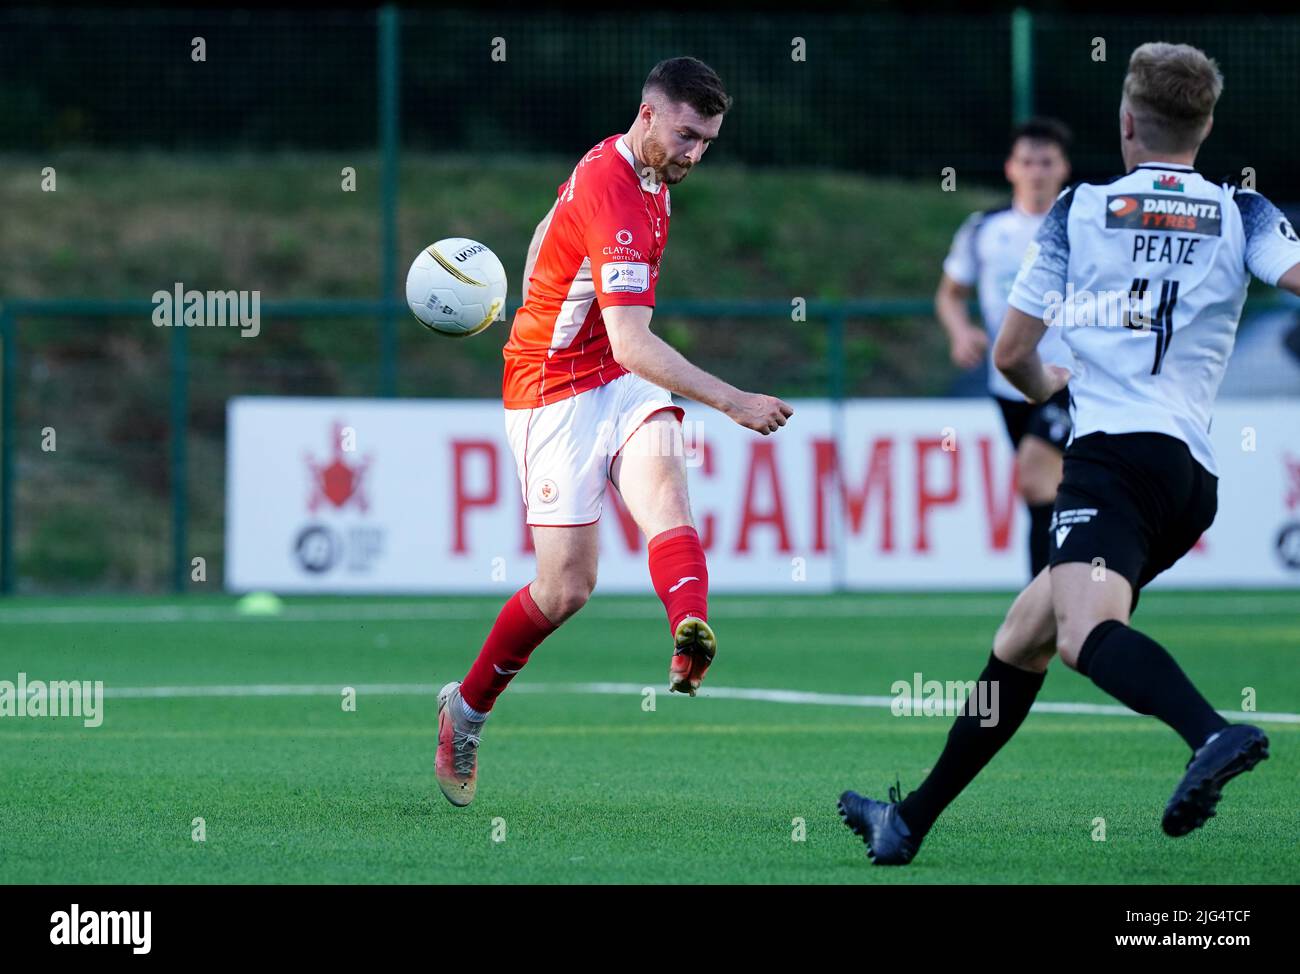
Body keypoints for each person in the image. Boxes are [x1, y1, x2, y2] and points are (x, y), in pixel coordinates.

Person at [840, 41, 1300, 864]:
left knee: (1085, 635)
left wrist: (1052, 385)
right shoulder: (1244, 212)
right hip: (1190, 475)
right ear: (1206, 124)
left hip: (1110, 463)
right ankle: (906, 821)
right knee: (1024, 636)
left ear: (1126, 121)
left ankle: (1210, 734)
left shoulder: (1079, 210)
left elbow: (1012, 354)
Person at [435, 57, 794, 807]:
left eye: (708, 141)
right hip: (551, 390)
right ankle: (464, 711)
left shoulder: (648, 174)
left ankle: (688, 626)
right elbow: (634, 339)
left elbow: (556, 240)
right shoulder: (619, 190)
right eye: (687, 135)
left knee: (666, 494)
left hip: (615, 377)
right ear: (648, 114)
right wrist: (732, 400)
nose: (696, 152)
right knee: (566, 588)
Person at [936, 118, 1075, 576]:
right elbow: (950, 293)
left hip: (1070, 378)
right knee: (1054, 490)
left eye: (1046, 162)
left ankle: (1048, 598)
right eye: (1028, 161)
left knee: (1037, 479)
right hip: (1009, 380)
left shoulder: (1081, 225)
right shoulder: (985, 229)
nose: (1037, 171)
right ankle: (1066, 590)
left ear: (1063, 169)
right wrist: (961, 332)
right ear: (1010, 168)